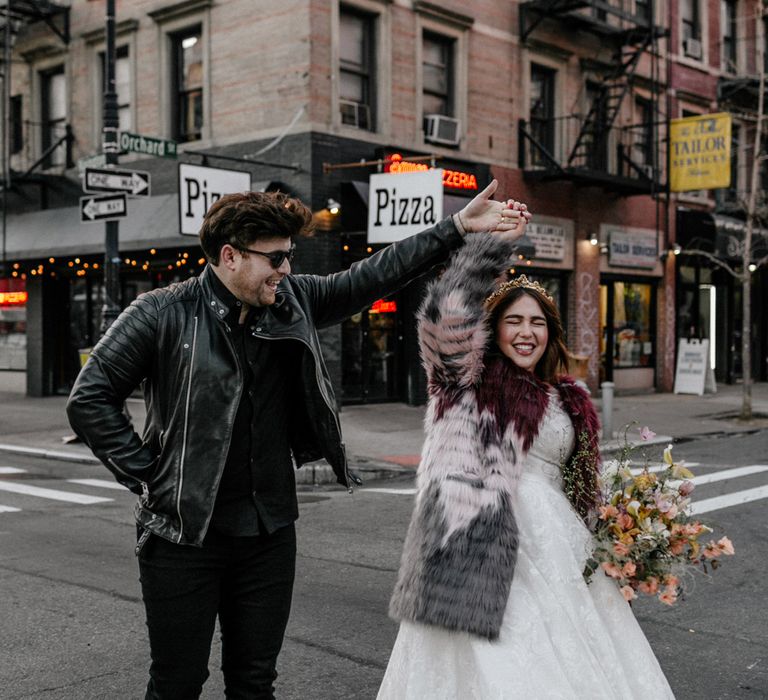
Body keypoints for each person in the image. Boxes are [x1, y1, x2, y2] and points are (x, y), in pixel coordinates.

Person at [66, 182, 524, 699]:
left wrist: (457, 227)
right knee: (177, 682)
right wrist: (152, 475)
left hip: (269, 532)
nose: (286, 269)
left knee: (255, 681)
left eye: (291, 256)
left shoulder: (294, 301)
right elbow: (89, 400)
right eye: (277, 257)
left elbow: (374, 273)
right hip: (183, 537)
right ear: (230, 255)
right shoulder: (161, 313)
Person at [378, 232, 676, 699]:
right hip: (479, 554)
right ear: (492, 329)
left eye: (537, 323)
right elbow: (442, 321)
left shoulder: (570, 398)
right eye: (513, 320)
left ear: (550, 333)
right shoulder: (469, 385)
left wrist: (620, 530)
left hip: (562, 549)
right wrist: (483, 245)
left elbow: (580, 482)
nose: (525, 332)